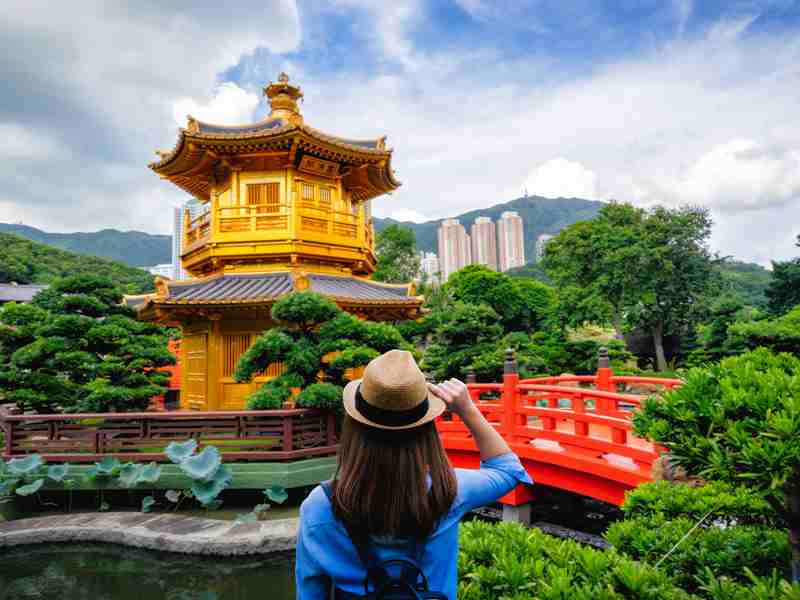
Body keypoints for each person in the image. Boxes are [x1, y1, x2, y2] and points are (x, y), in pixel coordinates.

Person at [295, 349, 533, 599]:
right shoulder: (449, 492)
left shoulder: (320, 505)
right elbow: (508, 470)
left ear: (353, 428)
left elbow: (310, 591)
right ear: (426, 430)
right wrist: (467, 410)